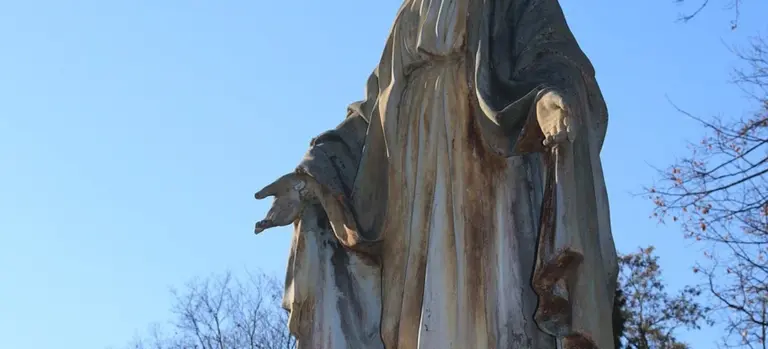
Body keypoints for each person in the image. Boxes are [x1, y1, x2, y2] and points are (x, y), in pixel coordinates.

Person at [253, 0, 618, 348]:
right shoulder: (411, 10)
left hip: (487, 154)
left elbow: (556, 57)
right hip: (411, 172)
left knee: (493, 298)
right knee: (411, 317)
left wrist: (550, 98)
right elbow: (370, 113)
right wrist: (309, 176)